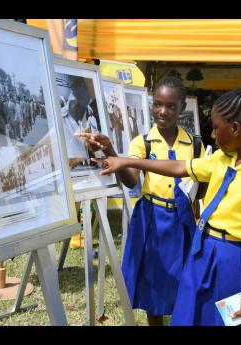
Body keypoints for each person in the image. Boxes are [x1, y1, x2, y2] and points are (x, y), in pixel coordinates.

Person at [95, 81, 241, 326]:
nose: (212, 135)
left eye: (217, 129)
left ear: (236, 128)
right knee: (191, 316)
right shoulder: (222, 158)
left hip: (235, 256)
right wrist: (127, 162)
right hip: (205, 249)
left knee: (228, 320)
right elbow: (179, 167)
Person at [76, 76, 205, 326]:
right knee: (153, 279)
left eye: (170, 105)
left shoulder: (195, 144)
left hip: (182, 221)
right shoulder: (142, 142)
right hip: (152, 218)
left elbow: (200, 190)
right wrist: (112, 153)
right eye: (157, 104)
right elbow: (131, 180)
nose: (162, 111)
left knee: (185, 277)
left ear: (182, 107)